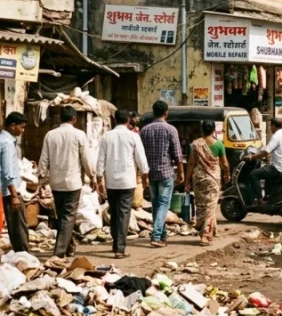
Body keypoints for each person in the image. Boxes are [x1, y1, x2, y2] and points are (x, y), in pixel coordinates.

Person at [39, 106, 96, 258]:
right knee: (68, 216)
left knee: (63, 216)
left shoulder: (50, 135)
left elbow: (44, 159)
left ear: (60, 118)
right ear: (74, 119)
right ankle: (59, 252)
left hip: (56, 183)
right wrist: (93, 177)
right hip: (73, 183)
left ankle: (70, 247)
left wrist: (42, 178)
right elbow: (86, 159)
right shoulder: (79, 135)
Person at [96, 110, 150, 258]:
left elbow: (100, 159)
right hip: (127, 181)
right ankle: (120, 248)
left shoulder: (106, 137)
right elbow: (141, 158)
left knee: (114, 212)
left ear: (114, 119)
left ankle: (116, 244)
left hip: (111, 181)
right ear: (128, 121)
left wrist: (99, 178)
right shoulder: (133, 137)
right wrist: (145, 175)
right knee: (123, 213)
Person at [140, 100, 184, 248]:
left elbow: (141, 154)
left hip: (150, 172)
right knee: (163, 204)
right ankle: (156, 235)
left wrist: (142, 174)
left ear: (153, 112)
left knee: (156, 204)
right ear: (166, 113)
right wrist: (181, 172)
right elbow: (177, 154)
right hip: (166, 172)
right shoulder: (170, 129)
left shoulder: (144, 130)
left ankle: (162, 234)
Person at [185, 120, 229, 246]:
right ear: (214, 130)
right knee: (211, 206)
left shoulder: (195, 144)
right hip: (213, 179)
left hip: (198, 179)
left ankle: (207, 228)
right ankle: (206, 235)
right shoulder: (219, 144)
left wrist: (187, 180)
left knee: (201, 205)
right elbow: (224, 163)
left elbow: (191, 164)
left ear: (202, 130)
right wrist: (227, 173)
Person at [244, 118, 282, 203]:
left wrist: (251, 157)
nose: (270, 128)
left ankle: (259, 199)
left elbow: (266, 152)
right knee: (267, 172)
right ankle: (268, 196)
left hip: (279, 168)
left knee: (253, 174)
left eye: (271, 126)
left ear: (273, 126)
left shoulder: (276, 136)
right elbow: (270, 149)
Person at [0, 113, 28, 253]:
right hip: (9, 192)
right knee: (19, 228)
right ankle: (24, 257)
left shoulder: (3, 140)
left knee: (16, 228)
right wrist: (14, 195)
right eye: (21, 127)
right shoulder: (7, 143)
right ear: (12, 126)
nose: (23, 131)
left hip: (6, 191)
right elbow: (7, 171)